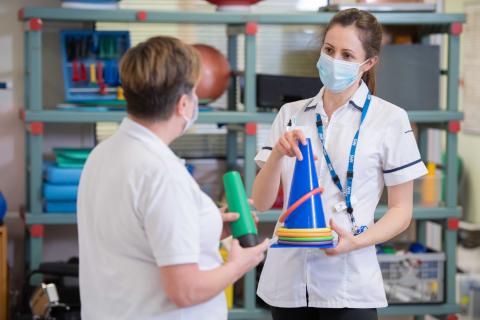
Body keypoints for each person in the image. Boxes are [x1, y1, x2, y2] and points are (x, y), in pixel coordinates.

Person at [252, 8, 427, 320]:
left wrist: (355, 243)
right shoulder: (290, 114)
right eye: (329, 50)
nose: (335, 61)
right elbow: (263, 203)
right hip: (289, 282)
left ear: (368, 63)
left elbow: (402, 212)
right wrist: (277, 153)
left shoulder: (389, 119)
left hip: (349, 282)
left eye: (348, 55)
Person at [77, 36, 269, 320]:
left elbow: (139, 235)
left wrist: (209, 225)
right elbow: (185, 291)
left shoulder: (103, 153)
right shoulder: (161, 173)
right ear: (183, 104)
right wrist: (240, 265)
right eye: (193, 92)